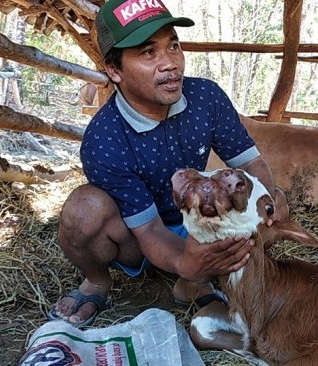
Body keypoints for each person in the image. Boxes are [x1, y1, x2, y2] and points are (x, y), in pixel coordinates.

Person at [49, 0, 283, 326]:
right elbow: (149, 230)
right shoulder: (104, 139)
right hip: (136, 236)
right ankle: (98, 282)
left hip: (199, 219)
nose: (170, 63)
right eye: (148, 53)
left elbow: (255, 166)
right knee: (83, 211)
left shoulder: (206, 98)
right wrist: (188, 263)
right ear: (114, 70)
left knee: (275, 200)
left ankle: (195, 281)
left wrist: (258, 218)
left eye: (173, 45)